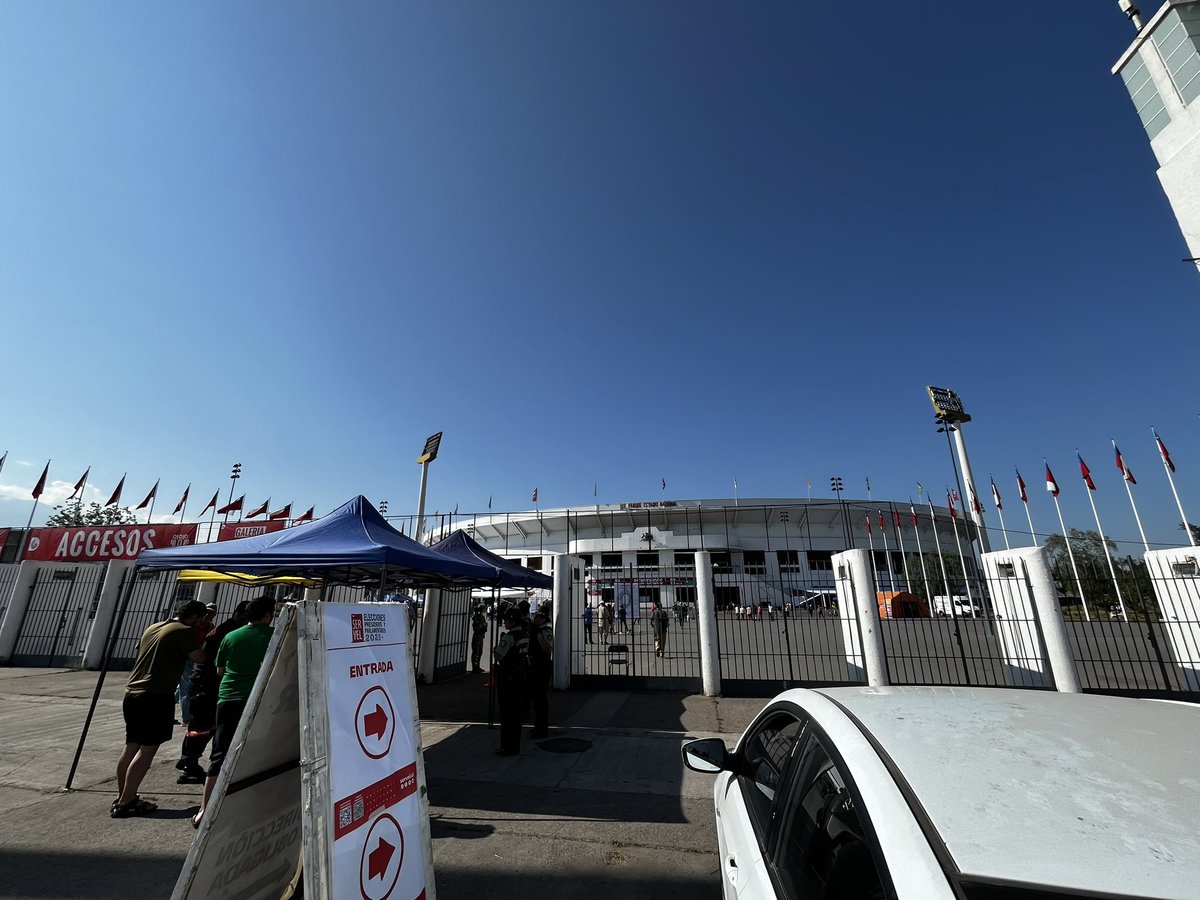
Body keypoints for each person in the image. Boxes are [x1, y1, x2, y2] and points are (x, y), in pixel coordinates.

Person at [112, 600, 208, 818]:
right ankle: (127, 801)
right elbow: (199, 659)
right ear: (194, 618)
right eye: (201, 620)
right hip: (156, 695)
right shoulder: (184, 631)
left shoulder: (153, 627)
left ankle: (124, 797)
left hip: (133, 693)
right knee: (148, 749)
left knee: (131, 745)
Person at [192, 595, 276, 828]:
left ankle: (203, 811)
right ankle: (252, 808)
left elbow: (219, 670)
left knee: (219, 753)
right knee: (259, 751)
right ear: (268, 615)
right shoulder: (274, 636)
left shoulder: (230, 636)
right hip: (258, 699)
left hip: (227, 697)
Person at [175, 600, 251, 783]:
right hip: (206, 684)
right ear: (242, 615)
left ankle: (188, 759)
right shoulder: (229, 632)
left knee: (205, 727)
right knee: (202, 727)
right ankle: (188, 763)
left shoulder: (224, 629)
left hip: (207, 683)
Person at [492, 609, 528, 756]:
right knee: (517, 712)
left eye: (507, 620)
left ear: (513, 621)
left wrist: (496, 649)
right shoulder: (525, 635)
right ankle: (515, 745)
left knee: (507, 712)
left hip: (508, 677)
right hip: (520, 674)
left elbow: (499, 656)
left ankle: (506, 746)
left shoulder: (509, 636)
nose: (505, 622)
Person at [176, 604, 215, 726]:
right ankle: (187, 717)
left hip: (200, 657)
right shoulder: (190, 628)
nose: (208, 616)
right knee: (186, 686)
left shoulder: (210, 627)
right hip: (190, 657)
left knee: (184, 687)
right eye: (206, 613)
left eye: (211, 614)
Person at [526, 605, 553, 738]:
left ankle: (542, 729)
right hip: (535, 666)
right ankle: (538, 726)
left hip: (542, 666)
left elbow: (548, 649)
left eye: (537, 616)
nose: (535, 618)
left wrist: (539, 638)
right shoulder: (536, 629)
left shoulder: (545, 631)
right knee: (536, 699)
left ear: (543, 618)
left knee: (540, 699)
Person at [470, 604, 488, 673]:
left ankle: (477, 666)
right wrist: (483, 625)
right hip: (477, 636)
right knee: (476, 652)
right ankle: (474, 667)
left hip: (481, 636)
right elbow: (476, 628)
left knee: (480, 652)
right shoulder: (477, 617)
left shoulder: (482, 617)